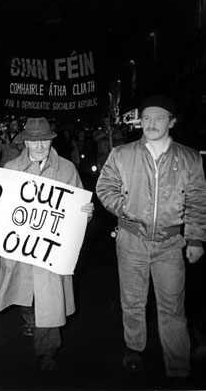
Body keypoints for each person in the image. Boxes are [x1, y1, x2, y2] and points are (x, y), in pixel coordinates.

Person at [96, 94, 206, 378]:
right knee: (132, 300)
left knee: (173, 306)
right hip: (131, 241)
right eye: (146, 118)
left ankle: (178, 366)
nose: (151, 124)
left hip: (170, 244)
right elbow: (105, 187)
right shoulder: (122, 154)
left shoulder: (189, 157)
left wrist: (195, 239)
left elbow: (197, 201)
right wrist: (126, 208)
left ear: (172, 122)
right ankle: (134, 347)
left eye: (158, 118)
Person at [0, 117, 93, 370]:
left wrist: (86, 212)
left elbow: (77, 210)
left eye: (44, 140)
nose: (40, 146)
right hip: (19, 246)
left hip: (49, 248)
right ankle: (30, 316)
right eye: (34, 141)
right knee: (24, 293)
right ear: (25, 142)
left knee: (49, 299)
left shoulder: (66, 169)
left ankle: (47, 350)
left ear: (51, 140)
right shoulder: (11, 168)